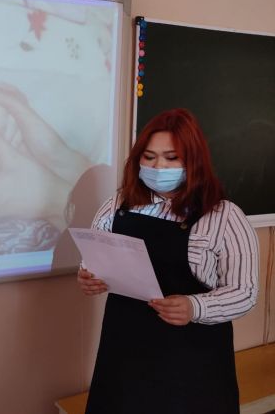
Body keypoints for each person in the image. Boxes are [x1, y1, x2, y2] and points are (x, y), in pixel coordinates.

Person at [77, 108, 259, 414]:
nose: (158, 166)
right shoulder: (117, 204)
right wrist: (88, 275)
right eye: (149, 157)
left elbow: (245, 292)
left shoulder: (225, 216)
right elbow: (93, 258)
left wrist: (194, 306)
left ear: (193, 160)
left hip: (193, 363)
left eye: (171, 158)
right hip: (124, 353)